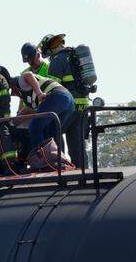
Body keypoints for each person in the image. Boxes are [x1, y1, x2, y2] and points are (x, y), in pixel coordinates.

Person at [37, 33, 93, 169]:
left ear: (49, 49)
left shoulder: (57, 61)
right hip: (84, 106)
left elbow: (53, 89)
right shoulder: (75, 56)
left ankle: (60, 167)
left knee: (52, 133)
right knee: (77, 144)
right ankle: (82, 173)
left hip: (70, 108)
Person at [17, 71, 75, 165]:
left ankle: (42, 161)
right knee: (52, 134)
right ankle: (60, 163)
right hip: (68, 101)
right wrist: (26, 112)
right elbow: (42, 112)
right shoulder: (28, 96)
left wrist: (39, 93)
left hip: (57, 96)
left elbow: (28, 75)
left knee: (34, 128)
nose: (14, 94)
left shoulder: (20, 81)